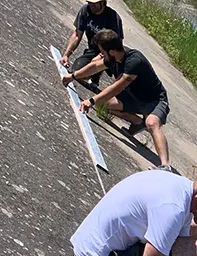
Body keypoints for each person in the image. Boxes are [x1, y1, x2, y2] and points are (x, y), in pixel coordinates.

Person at [62, 29, 172, 170]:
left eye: (102, 51)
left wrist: (91, 101)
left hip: (155, 101)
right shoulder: (114, 58)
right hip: (133, 99)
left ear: (112, 51)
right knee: (105, 105)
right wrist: (73, 76)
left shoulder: (134, 61)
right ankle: (138, 122)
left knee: (152, 123)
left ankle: (165, 166)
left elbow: (116, 88)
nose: (101, 54)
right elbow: (95, 66)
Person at [59, 0, 123, 90]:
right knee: (77, 70)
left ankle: (98, 73)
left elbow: (118, 44)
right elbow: (77, 35)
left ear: (102, 2)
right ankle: (93, 74)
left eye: (94, 3)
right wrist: (66, 55)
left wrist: (101, 56)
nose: (91, 6)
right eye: (89, 2)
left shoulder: (113, 18)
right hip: (93, 50)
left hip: (110, 54)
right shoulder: (85, 11)